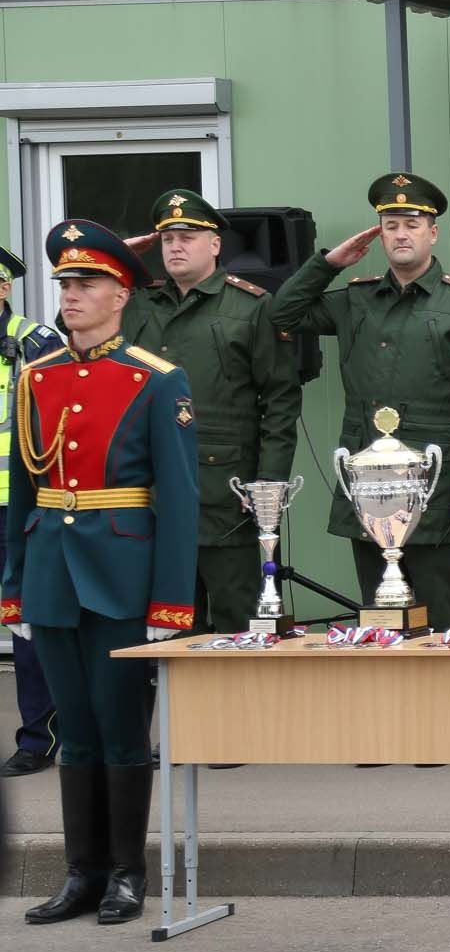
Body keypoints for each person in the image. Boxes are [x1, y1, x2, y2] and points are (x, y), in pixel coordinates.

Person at [4, 220, 198, 925]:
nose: (71, 294)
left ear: (121, 293)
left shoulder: (154, 378)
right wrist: (14, 587)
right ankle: (79, 873)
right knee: (74, 733)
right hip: (54, 572)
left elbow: (178, 500)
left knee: (121, 732)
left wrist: (171, 602)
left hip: (124, 573)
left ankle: (125, 872)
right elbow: (25, 490)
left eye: (86, 283)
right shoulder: (37, 377)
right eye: (64, 283)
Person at [269, 173, 450, 632]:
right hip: (367, 480)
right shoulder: (356, 299)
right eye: (390, 224)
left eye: (412, 224)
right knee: (380, 615)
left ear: (432, 233)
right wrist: (329, 264)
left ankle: (443, 704)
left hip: (433, 478)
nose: (400, 233)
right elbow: (282, 314)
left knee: (438, 617)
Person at [127, 189, 303, 639]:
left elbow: (280, 399)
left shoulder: (249, 306)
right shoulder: (137, 304)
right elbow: (77, 332)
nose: (175, 247)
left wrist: (269, 485)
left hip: (228, 496)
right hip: (150, 493)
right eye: (167, 239)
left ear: (215, 244)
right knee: (166, 628)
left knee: (238, 623)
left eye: (187, 236)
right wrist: (115, 260)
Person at [0, 246, 64, 778]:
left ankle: (36, 738)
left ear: (3, 288)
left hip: (15, 507)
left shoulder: (35, 342)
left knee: (23, 626)